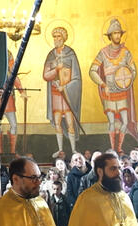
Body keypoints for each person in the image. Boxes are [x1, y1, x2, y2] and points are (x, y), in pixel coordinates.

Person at [89, 18, 138, 153]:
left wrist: (127, 81)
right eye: (114, 33)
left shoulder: (126, 52)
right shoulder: (103, 52)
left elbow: (133, 70)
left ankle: (120, 147)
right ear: (110, 36)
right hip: (109, 92)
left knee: (125, 122)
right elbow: (92, 71)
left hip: (122, 91)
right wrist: (103, 84)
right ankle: (112, 148)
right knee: (111, 122)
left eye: (118, 33)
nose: (117, 36)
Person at [43, 27, 82, 159]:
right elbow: (46, 75)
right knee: (58, 121)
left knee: (70, 122)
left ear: (64, 38)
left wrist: (65, 88)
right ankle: (60, 149)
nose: (56, 39)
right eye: (54, 37)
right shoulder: (51, 55)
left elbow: (77, 78)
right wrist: (56, 70)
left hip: (67, 94)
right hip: (55, 94)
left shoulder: (71, 54)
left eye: (59, 37)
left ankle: (73, 149)